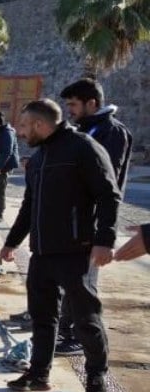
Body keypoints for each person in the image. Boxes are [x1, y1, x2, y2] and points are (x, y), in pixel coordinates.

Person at [0, 99, 120, 392]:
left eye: (24, 126)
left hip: (76, 251)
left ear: (40, 124)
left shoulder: (83, 148)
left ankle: (96, 375)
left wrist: (105, 240)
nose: (21, 134)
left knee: (86, 319)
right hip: (42, 252)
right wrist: (12, 241)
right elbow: (29, 205)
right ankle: (39, 374)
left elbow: (109, 195)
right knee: (42, 317)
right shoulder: (38, 159)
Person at [55, 78, 133, 356]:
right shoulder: (85, 130)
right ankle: (65, 330)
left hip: (92, 222)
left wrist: (105, 235)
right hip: (73, 221)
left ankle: (79, 337)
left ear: (92, 103)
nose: (70, 111)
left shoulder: (111, 133)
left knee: (83, 283)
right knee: (70, 278)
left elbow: (105, 182)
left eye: (74, 105)